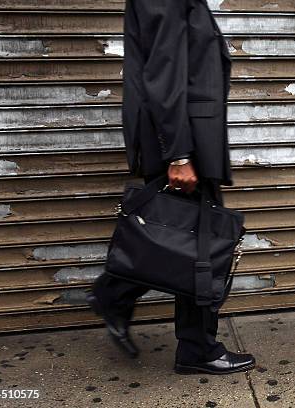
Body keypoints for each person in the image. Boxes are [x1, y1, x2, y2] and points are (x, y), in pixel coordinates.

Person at [86, 0, 255, 375]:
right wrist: (178, 154)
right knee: (202, 243)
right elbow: (164, 70)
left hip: (189, 137)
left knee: (192, 239)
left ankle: (116, 294)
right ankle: (195, 346)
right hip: (183, 140)